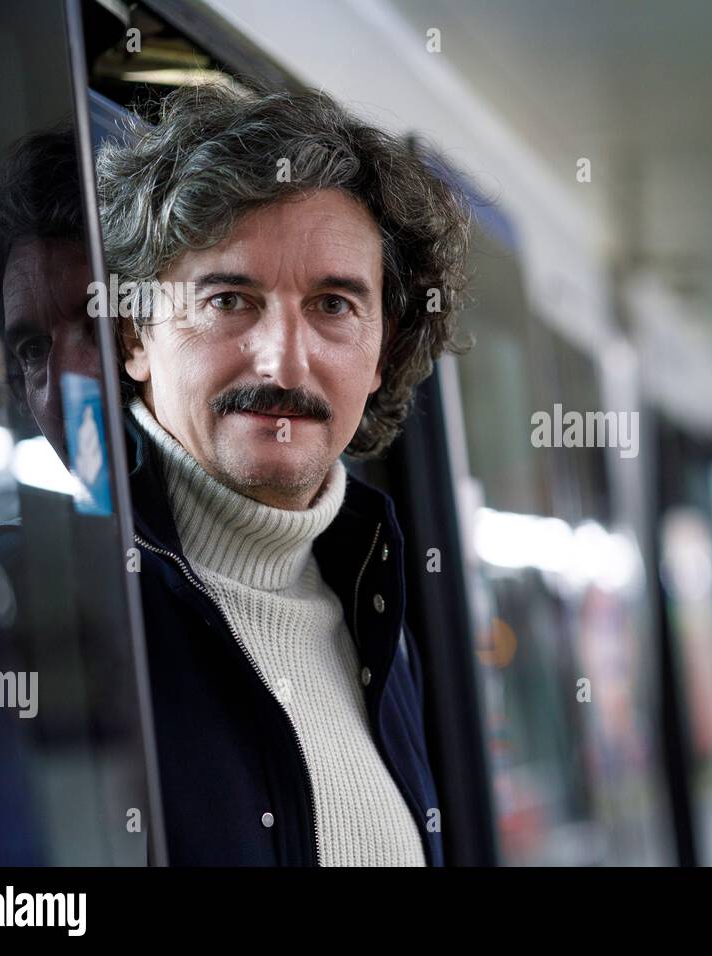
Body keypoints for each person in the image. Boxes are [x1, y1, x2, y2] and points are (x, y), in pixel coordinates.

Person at [96, 83, 471, 865]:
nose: (284, 362)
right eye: (231, 299)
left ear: (380, 349)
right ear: (134, 333)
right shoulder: (46, 598)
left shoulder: (376, 614)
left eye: (334, 306)